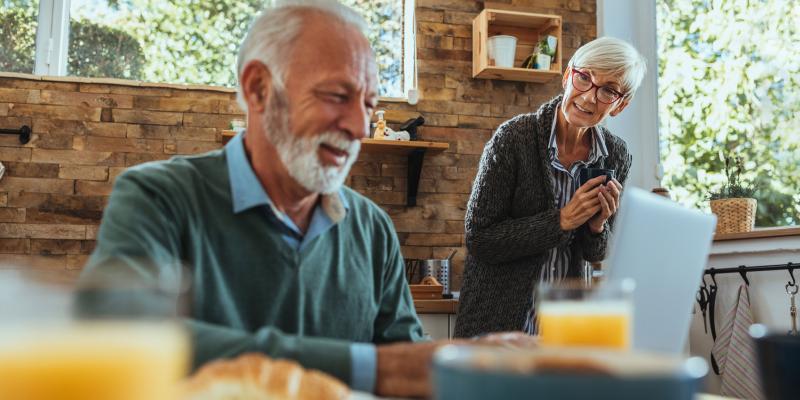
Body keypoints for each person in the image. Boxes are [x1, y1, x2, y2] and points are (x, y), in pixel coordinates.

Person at [78, 1, 437, 397]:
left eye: (368, 106)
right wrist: (367, 366)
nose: (358, 127)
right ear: (259, 89)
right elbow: (119, 334)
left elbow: (413, 370)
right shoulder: (158, 197)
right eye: (337, 95)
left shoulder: (373, 229)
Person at [453, 37, 646, 338]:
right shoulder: (514, 138)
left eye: (608, 90)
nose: (589, 97)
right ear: (568, 75)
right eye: (585, 78)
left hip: (562, 330)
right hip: (496, 326)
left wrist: (596, 227)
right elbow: (479, 239)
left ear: (621, 104)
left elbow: (596, 253)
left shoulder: (616, 154)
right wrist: (562, 220)